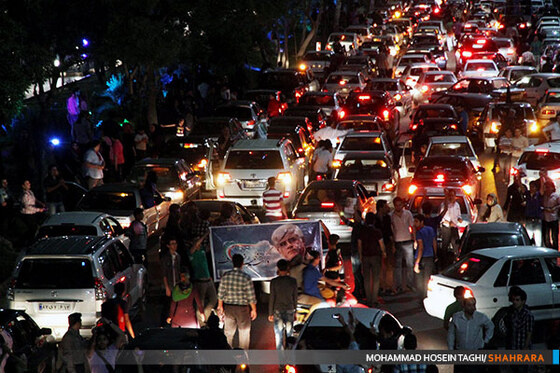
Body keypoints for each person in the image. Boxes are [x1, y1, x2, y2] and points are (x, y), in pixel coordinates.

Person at [217, 254, 257, 350]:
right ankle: (243, 359)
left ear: (232, 263)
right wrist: (254, 310)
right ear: (242, 264)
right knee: (244, 333)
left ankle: (228, 357)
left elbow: (221, 293)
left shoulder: (226, 276)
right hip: (243, 309)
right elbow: (251, 297)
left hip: (229, 308)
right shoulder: (246, 277)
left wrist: (220, 306)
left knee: (228, 334)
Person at [188, 218, 217, 324]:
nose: (198, 243)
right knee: (200, 302)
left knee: (214, 299)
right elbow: (195, 246)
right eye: (196, 241)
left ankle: (205, 315)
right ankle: (201, 324)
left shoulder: (202, 250)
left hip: (208, 279)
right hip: (199, 281)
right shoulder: (191, 252)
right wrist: (206, 233)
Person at [269, 259, 298, 350]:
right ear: (287, 268)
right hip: (289, 309)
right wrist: (295, 311)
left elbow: (272, 298)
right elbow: (295, 297)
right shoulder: (293, 281)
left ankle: (281, 362)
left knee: (279, 336)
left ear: (278, 268)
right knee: (290, 335)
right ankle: (291, 359)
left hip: (277, 310)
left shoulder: (274, 282)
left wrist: (270, 313)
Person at [359, 212, 386, 307]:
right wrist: (384, 252)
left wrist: (360, 256)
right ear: (374, 221)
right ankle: (374, 299)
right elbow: (381, 243)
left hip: (365, 256)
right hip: (375, 256)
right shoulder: (377, 231)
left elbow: (359, 244)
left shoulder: (362, 231)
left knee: (366, 278)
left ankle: (368, 299)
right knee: (376, 278)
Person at [391, 197, 415, 293]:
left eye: (400, 205)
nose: (398, 207)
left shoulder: (408, 214)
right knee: (398, 265)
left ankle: (410, 284)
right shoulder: (391, 216)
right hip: (397, 242)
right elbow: (391, 230)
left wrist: (414, 239)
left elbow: (412, 226)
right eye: (396, 205)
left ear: (402, 205)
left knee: (410, 264)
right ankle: (399, 285)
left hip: (408, 241)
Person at [499, 286, 534, 352]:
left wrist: (525, 347)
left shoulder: (527, 315)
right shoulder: (512, 312)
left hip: (522, 345)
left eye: (517, 300)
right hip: (514, 346)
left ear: (523, 301)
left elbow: (529, 334)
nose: (514, 302)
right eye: (514, 300)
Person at [413, 214, 437, 301]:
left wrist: (417, 263)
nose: (414, 223)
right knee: (427, 279)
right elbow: (434, 243)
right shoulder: (430, 229)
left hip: (422, 258)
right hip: (430, 256)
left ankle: (421, 299)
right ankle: (427, 297)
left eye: (416, 221)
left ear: (421, 222)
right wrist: (435, 254)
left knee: (420, 281)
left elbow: (421, 248)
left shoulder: (420, 232)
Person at [161, 238, 182, 325]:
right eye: (172, 244)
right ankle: (164, 323)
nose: (174, 246)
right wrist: (167, 287)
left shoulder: (178, 256)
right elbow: (164, 273)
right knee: (167, 305)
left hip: (176, 284)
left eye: (175, 244)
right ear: (168, 246)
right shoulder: (165, 258)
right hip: (169, 284)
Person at [439, 189, 463, 268]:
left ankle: (456, 262)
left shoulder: (457, 205)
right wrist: (449, 223)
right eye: (450, 195)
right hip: (446, 228)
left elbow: (459, 215)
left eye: (453, 195)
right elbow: (441, 218)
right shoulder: (444, 205)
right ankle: (443, 264)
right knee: (445, 245)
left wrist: (459, 219)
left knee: (456, 245)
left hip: (454, 227)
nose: (452, 197)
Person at [542, 180, 560, 249]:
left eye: (548, 187)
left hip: (553, 218)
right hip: (545, 218)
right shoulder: (543, 196)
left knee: (554, 236)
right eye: (546, 187)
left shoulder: (556, 196)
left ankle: (555, 250)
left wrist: (554, 208)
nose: (547, 189)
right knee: (546, 236)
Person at [525, 180, 543, 246]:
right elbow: (521, 187)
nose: (531, 188)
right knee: (528, 238)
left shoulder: (538, 194)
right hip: (529, 219)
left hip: (537, 219)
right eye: (530, 186)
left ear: (536, 187)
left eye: (533, 186)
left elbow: (542, 190)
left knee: (538, 239)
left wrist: (542, 178)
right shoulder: (527, 194)